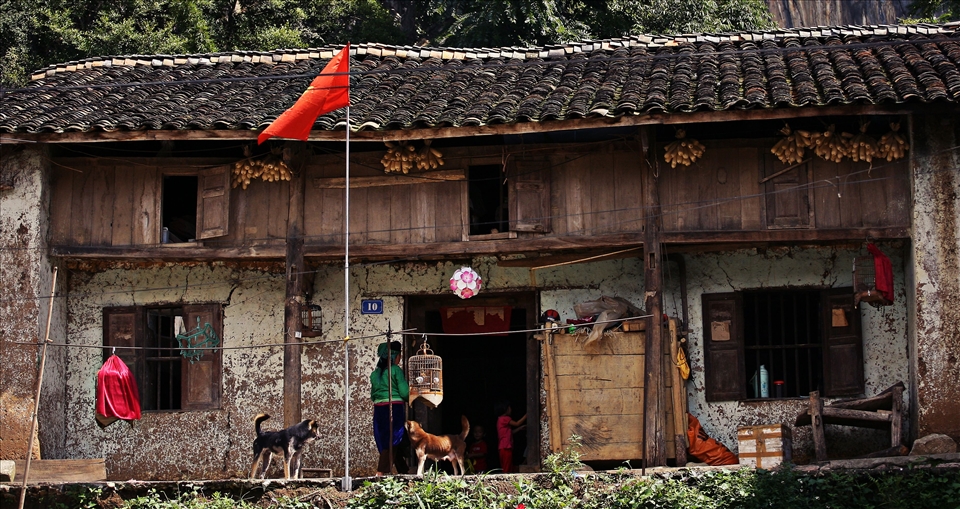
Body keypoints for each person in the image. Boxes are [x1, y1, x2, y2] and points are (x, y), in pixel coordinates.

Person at [370, 341, 409, 475]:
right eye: (399, 356)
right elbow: (404, 393)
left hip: (379, 409)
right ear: (394, 357)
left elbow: (373, 395)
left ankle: (404, 469)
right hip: (394, 408)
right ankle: (381, 471)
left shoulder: (375, 374)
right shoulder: (396, 370)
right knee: (394, 438)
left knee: (386, 438)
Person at [495, 401, 526, 474]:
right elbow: (517, 423)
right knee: (507, 468)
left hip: (502, 447)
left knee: (506, 466)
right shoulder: (505, 418)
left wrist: (520, 428)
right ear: (505, 409)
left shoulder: (500, 419)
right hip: (506, 447)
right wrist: (527, 414)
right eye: (509, 408)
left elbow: (509, 433)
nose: (511, 410)